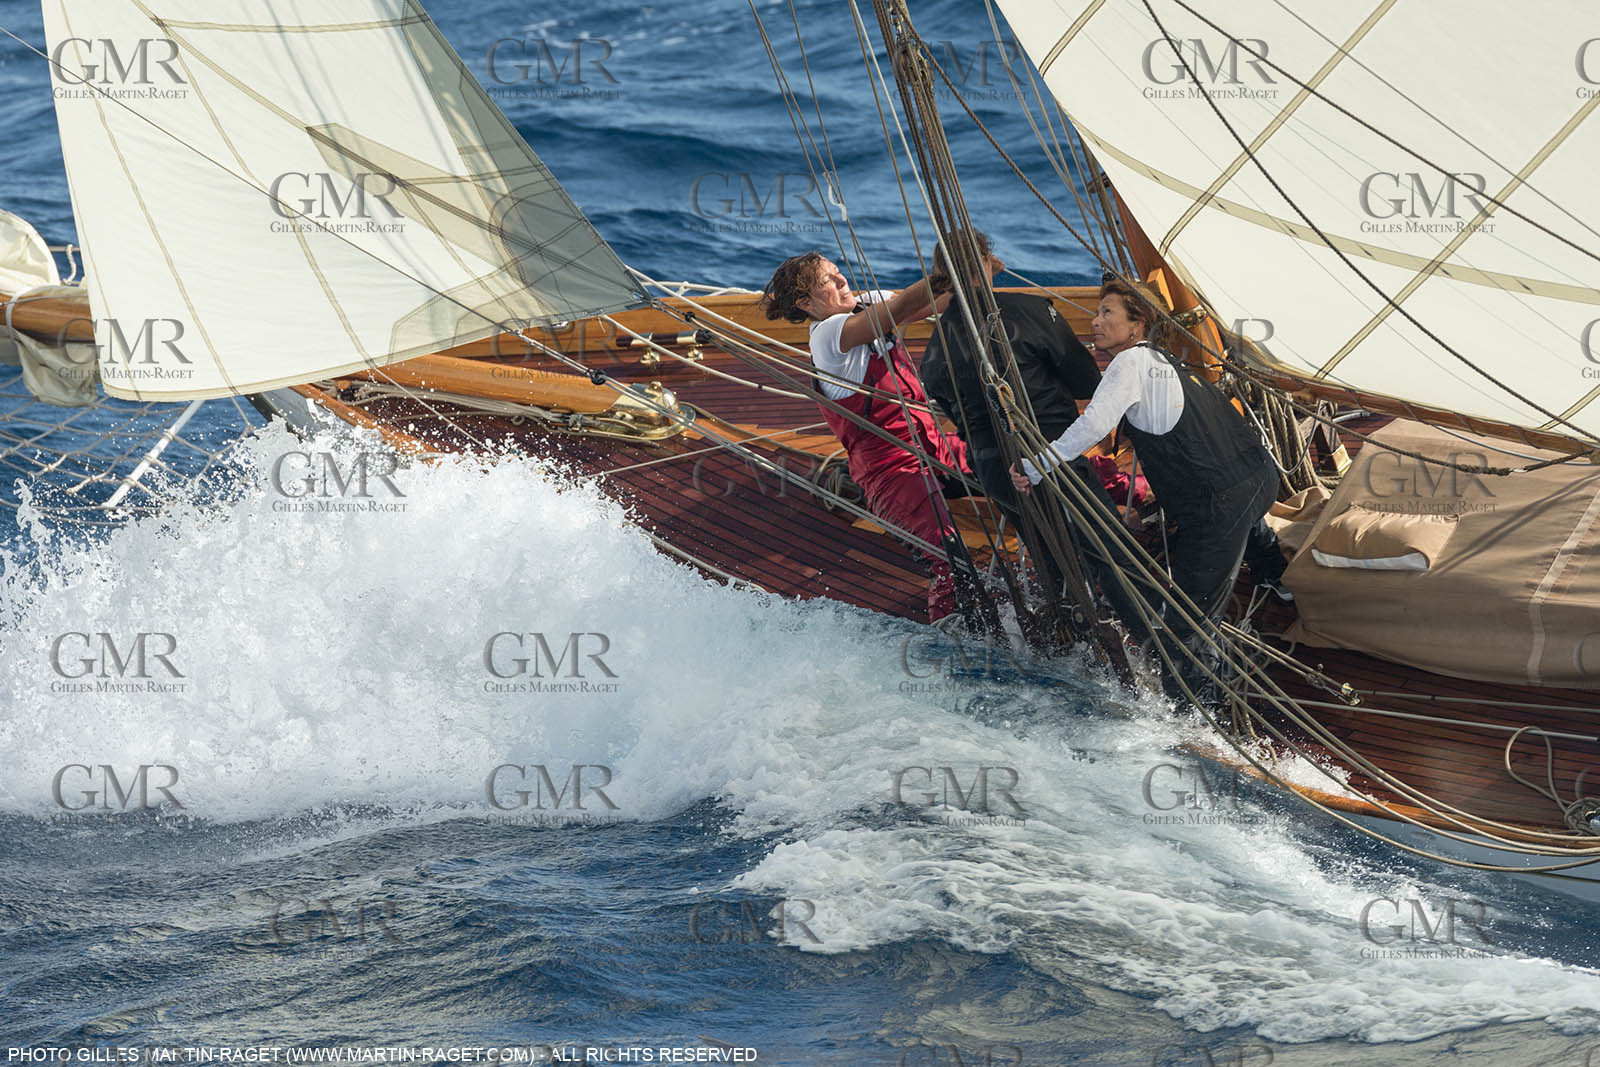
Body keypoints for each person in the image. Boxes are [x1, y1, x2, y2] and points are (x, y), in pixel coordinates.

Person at [1010, 278, 1290, 689]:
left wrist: (1035, 467)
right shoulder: (1167, 361)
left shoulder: (1129, 364)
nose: (1095, 320)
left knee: (1185, 631)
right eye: (1098, 311)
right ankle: (1279, 580)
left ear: (1137, 325)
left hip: (1219, 508)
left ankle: (1201, 713)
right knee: (1249, 526)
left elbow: (1092, 426)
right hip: (1259, 480)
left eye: (1107, 312)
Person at [920, 230, 1128, 610]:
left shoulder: (933, 354)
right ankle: (1139, 640)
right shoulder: (1033, 312)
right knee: (1108, 550)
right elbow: (1086, 383)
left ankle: (1073, 635)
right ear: (988, 264)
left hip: (994, 470)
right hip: (1051, 454)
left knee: (1051, 558)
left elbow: (962, 421)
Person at [762, 252, 972, 623]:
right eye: (828, 280)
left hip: (935, 449)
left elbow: (932, 304)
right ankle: (956, 647)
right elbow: (901, 306)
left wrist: (974, 277)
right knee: (950, 562)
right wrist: (948, 270)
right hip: (890, 474)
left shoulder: (866, 303)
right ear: (805, 304)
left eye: (838, 273)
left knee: (1036, 465)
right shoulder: (827, 335)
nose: (842, 281)